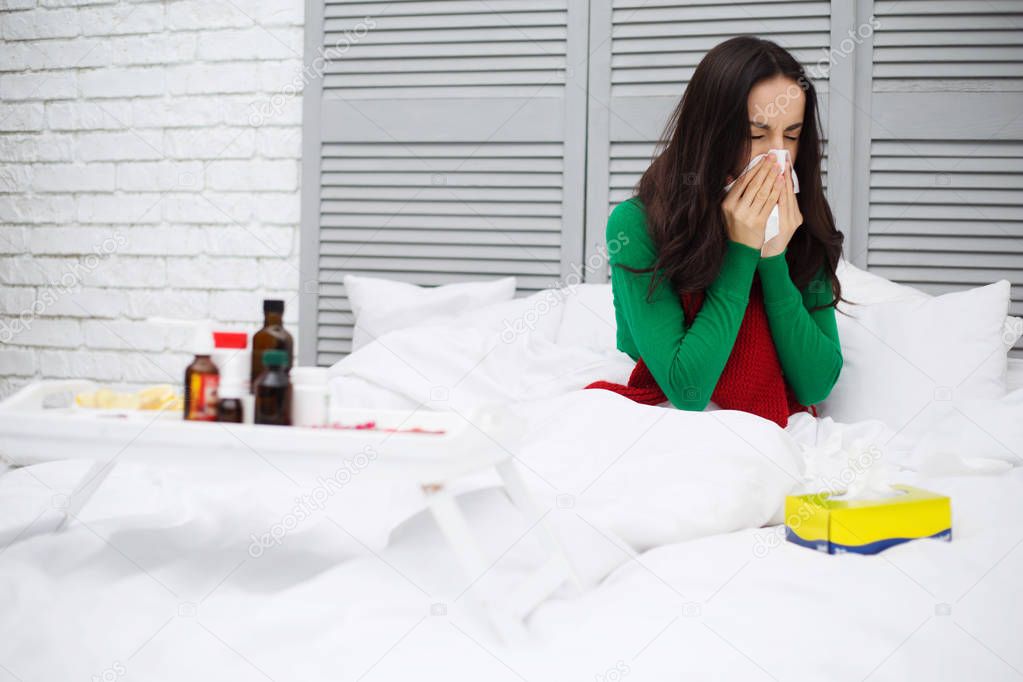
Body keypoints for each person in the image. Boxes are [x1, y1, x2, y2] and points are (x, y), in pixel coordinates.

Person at [586, 36, 845, 429]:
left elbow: (814, 387)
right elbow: (687, 392)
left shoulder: (802, 219)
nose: (777, 157)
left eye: (790, 136)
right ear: (710, 134)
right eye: (756, 136)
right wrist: (742, 253)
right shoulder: (636, 225)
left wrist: (772, 258)